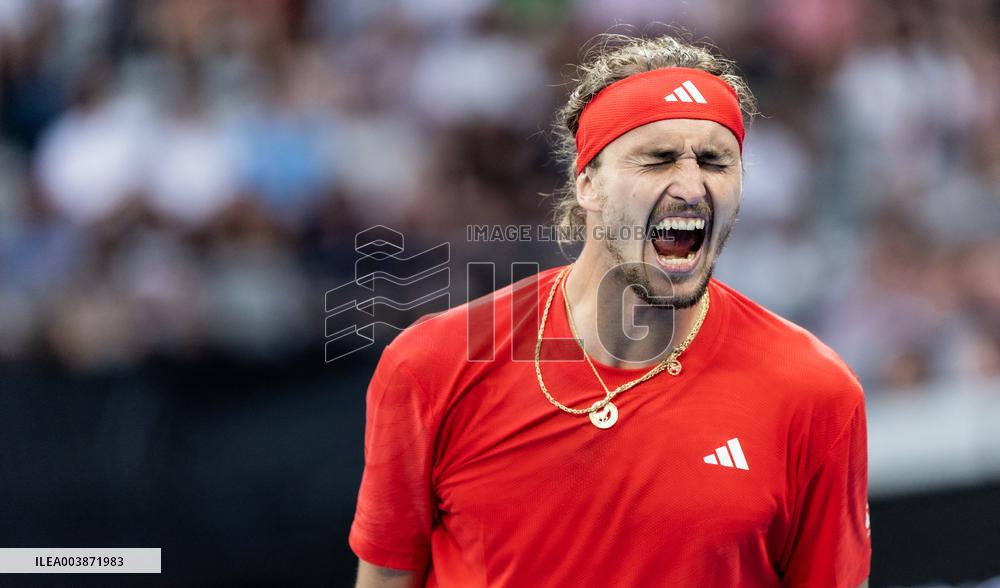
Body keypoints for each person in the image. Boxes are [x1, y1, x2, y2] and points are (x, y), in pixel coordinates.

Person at [350, 34, 870, 588]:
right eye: (659, 158)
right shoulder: (431, 366)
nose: (692, 186)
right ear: (588, 185)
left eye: (716, 161)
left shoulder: (815, 392)